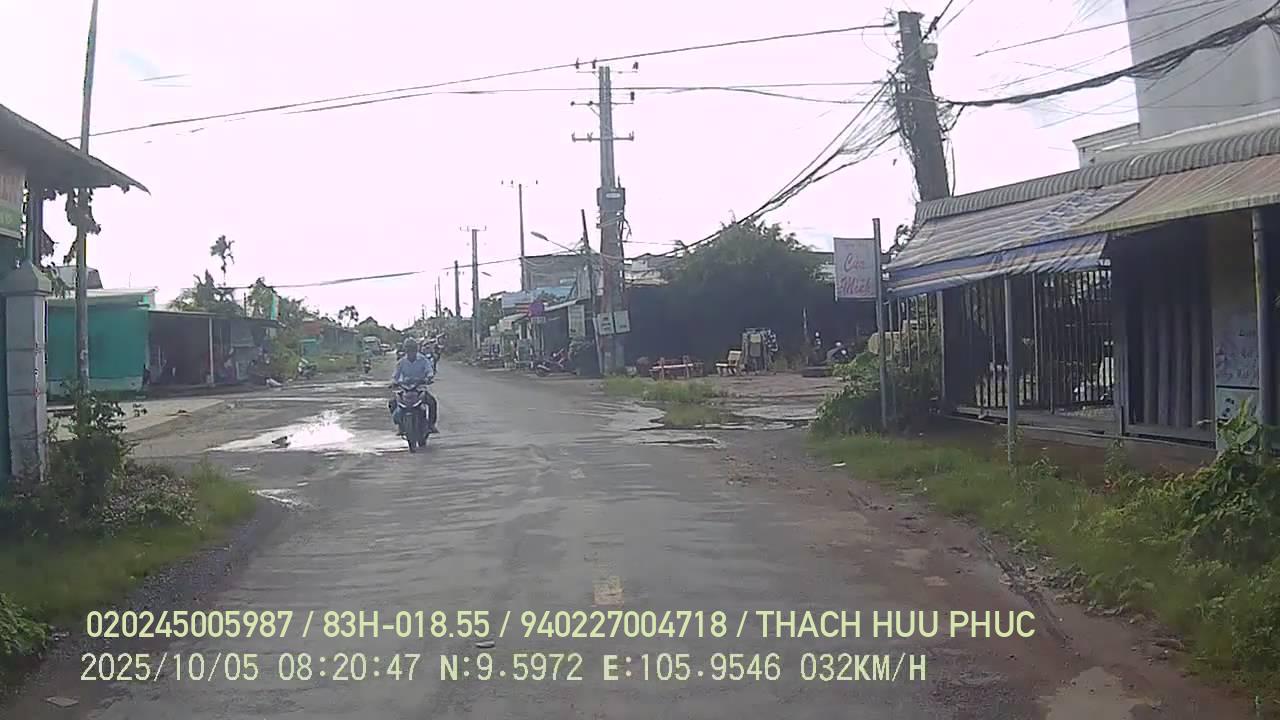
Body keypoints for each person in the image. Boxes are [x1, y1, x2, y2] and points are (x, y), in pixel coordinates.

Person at [389, 337, 438, 433]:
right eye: (408, 349)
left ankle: (431, 424)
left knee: (432, 402)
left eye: (412, 349)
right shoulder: (402, 362)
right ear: (405, 350)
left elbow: (429, 371)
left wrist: (428, 378)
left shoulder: (423, 360)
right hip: (405, 388)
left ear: (416, 349)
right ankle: (400, 425)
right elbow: (395, 375)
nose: (411, 352)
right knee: (392, 403)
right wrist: (394, 382)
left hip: (419, 387)